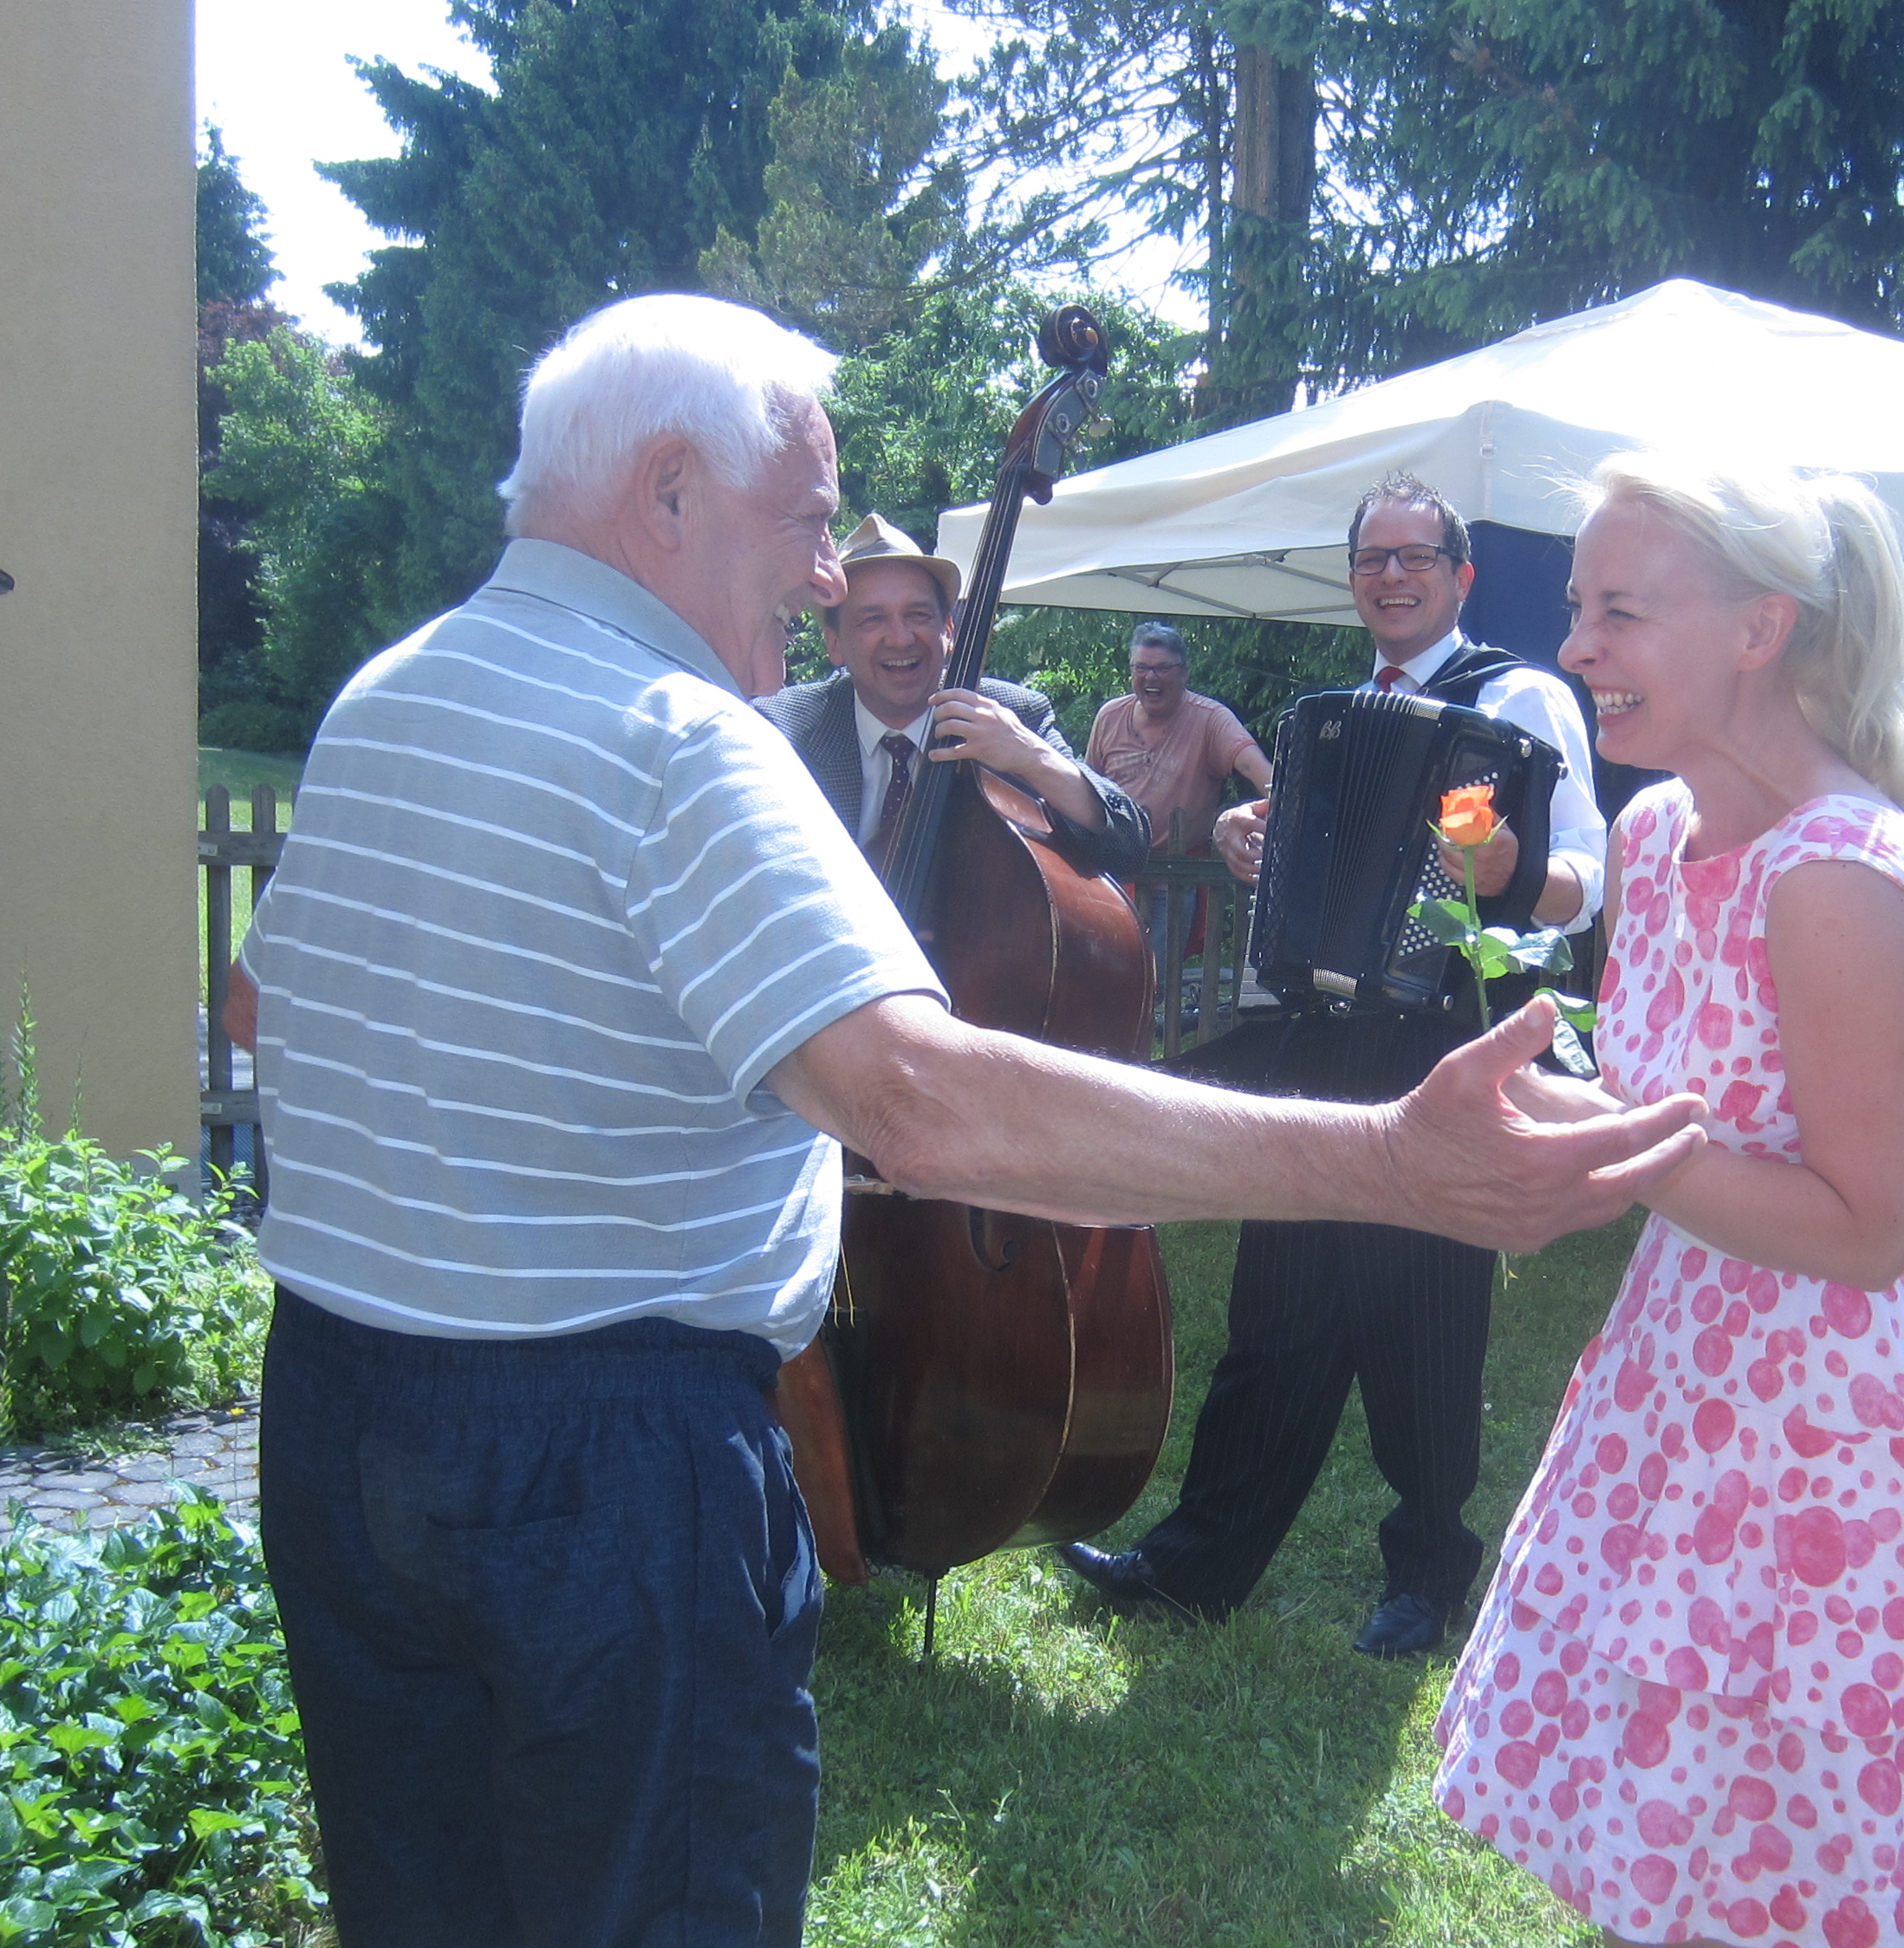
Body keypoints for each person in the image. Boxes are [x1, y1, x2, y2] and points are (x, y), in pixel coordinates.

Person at [230, 294, 1705, 1948]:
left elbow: (259, 1010)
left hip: (340, 1414)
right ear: (663, 492)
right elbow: (920, 1105)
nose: (820, 579)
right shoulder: (678, 738)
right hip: (604, 1460)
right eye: (804, 524)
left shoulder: (388, 696)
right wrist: (1384, 1159)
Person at [1434, 451, 1904, 1948]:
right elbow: (1679, 1093)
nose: (1576, 647)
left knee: (1864, 1836)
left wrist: (1619, 1138)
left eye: (1620, 610)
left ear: (1760, 628)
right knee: (1712, 1815)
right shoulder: (1655, 838)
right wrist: (1557, 1107)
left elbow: (1866, 1225)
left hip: (1837, 1430)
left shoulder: (1842, 873)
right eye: (1581, 607)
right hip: (1684, 1373)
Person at [1061, 474, 1608, 1659]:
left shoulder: (1518, 698)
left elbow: (1584, 882)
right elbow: (1299, 874)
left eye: (1417, 557)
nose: (1392, 575)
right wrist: (1242, 840)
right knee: (1279, 1303)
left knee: (1421, 1308)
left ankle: (1429, 1571)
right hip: (1328, 1033)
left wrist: (1505, 870)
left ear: (1461, 576)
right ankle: (1201, 1560)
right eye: (1373, 559)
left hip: (1447, 1032)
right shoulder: (1337, 713)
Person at [758, 514, 1147, 876]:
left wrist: (1032, 757)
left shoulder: (1012, 713)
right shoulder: (783, 729)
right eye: (872, 619)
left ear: (948, 631)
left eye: (918, 615)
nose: (900, 638)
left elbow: (1130, 849)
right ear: (835, 644)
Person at [1082, 620, 1270, 856]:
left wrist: (1288, 814)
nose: (1151, 677)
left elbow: (1254, 767)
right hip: (1114, 868)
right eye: (1141, 668)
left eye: (1163, 668)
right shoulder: (1109, 716)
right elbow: (1087, 790)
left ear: (1184, 673)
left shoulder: (1210, 719)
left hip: (1179, 877)